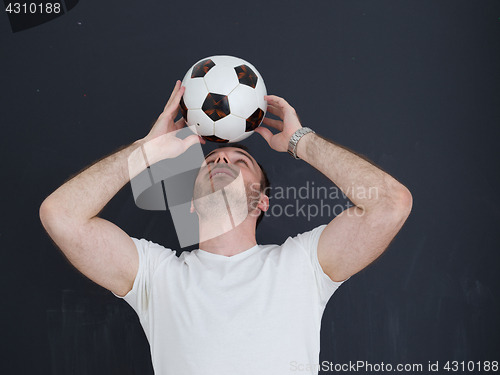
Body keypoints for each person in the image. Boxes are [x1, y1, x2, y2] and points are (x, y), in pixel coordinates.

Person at [40, 80, 412, 375]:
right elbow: (61, 215)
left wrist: (302, 142)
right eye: (213, 158)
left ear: (261, 200)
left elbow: (390, 203)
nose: (221, 157)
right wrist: (147, 151)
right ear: (190, 201)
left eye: (241, 160)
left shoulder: (303, 265)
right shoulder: (157, 275)